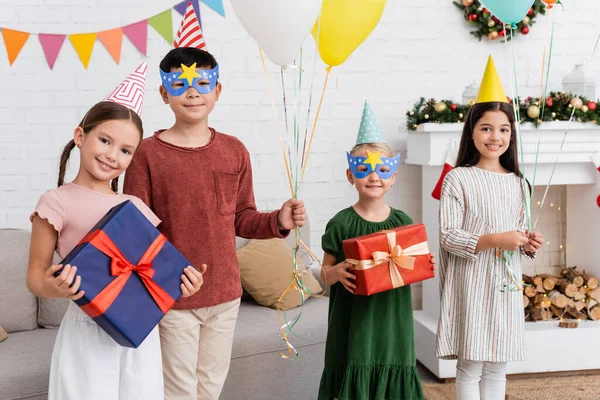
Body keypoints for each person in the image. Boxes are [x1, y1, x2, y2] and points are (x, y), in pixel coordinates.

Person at [123, 27, 306, 400]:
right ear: (164, 93)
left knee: (209, 388)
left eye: (203, 83)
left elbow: (242, 216)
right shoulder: (147, 154)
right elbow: (136, 230)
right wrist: (167, 275)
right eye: (180, 84)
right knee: (179, 391)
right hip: (174, 298)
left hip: (225, 295)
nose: (193, 92)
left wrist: (278, 220)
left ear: (217, 91)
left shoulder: (234, 151)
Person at [26, 63, 204, 400]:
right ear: (80, 136)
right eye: (104, 140)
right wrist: (56, 285)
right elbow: (35, 277)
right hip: (87, 329)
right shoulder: (56, 202)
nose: (112, 155)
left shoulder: (135, 207)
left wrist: (185, 284)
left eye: (125, 150)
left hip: (139, 333)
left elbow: (151, 273)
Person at [435, 56, 544, 400]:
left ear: (511, 135)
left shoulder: (519, 183)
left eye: (503, 129)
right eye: (486, 128)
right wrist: (497, 238)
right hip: (470, 283)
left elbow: (518, 235)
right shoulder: (458, 178)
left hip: (504, 285)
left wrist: (527, 243)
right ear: (472, 131)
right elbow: (449, 236)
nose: (494, 137)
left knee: (498, 364)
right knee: (471, 363)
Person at [318, 101, 428, 400]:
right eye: (364, 169)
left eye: (383, 169)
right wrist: (334, 273)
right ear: (350, 175)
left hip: (392, 320)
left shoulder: (402, 222)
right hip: (354, 323)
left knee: (393, 364)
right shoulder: (341, 223)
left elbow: (413, 268)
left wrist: (420, 263)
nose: (374, 176)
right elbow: (322, 276)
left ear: (392, 178)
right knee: (356, 367)